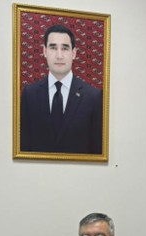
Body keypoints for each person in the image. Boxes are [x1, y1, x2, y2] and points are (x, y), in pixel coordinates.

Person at [20, 24, 103, 154]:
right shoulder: (29, 95)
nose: (59, 55)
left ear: (74, 53)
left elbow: (97, 151)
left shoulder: (94, 97)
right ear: (44, 51)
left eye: (65, 48)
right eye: (53, 48)